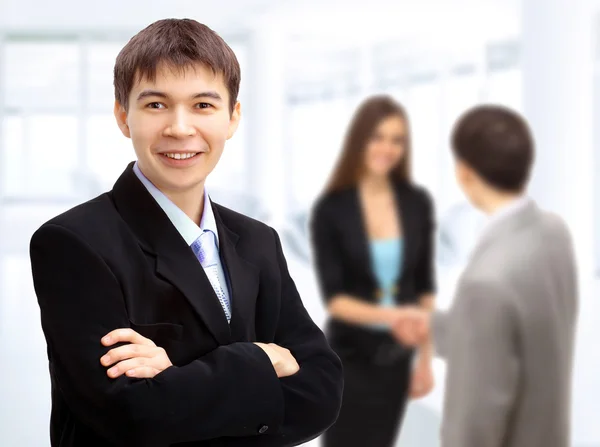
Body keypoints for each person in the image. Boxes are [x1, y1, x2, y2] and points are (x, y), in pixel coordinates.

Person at [29, 18, 343, 447]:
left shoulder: (258, 240)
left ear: (232, 117)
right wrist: (260, 360)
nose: (180, 128)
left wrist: (177, 378)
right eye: (156, 105)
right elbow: (128, 417)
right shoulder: (73, 243)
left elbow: (323, 392)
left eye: (203, 105)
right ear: (124, 116)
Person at [395, 105, 579, 447]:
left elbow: (475, 419)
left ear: (464, 172)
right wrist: (434, 326)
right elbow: (515, 330)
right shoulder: (553, 233)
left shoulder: (486, 281)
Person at [309, 95, 437, 447]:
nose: (387, 148)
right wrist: (396, 316)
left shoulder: (416, 203)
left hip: (397, 359)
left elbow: (424, 285)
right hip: (350, 359)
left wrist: (424, 359)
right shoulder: (331, 210)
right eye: (378, 137)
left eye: (397, 140)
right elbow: (335, 300)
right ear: (360, 140)